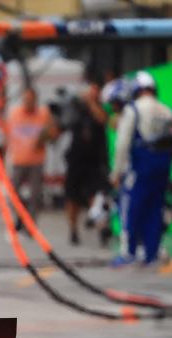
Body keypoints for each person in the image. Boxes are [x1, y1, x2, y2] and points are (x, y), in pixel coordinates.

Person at [110, 71, 172, 267]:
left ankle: (129, 253)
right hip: (161, 169)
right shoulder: (168, 111)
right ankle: (151, 253)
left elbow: (122, 144)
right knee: (155, 211)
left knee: (132, 209)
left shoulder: (134, 109)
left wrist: (116, 172)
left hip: (140, 169)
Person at [62, 76, 109, 245]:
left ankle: (101, 229)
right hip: (75, 160)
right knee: (71, 197)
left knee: (96, 196)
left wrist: (91, 102)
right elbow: (64, 122)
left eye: (95, 89)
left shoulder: (102, 106)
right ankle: (73, 230)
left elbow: (103, 119)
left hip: (94, 161)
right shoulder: (76, 107)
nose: (92, 92)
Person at [6, 87, 52, 229]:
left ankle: (30, 225)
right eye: (26, 100)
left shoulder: (43, 114)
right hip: (18, 160)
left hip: (36, 161)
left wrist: (44, 137)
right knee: (12, 195)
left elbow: (52, 132)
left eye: (31, 100)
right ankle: (21, 215)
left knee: (35, 196)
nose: (28, 103)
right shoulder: (15, 114)